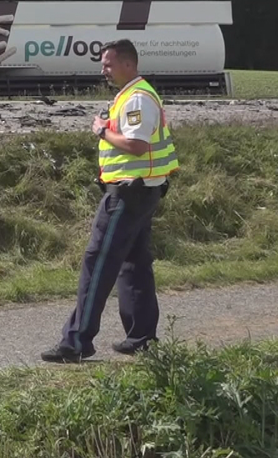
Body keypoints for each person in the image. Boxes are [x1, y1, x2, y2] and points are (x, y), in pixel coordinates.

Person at [41, 38, 179, 363]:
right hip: (142, 192)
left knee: (98, 262)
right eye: (103, 64)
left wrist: (102, 131)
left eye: (108, 63)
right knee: (134, 266)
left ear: (128, 64)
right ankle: (142, 337)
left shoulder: (137, 98)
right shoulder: (132, 95)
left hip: (128, 194)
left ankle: (76, 342)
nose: (103, 69)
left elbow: (136, 146)